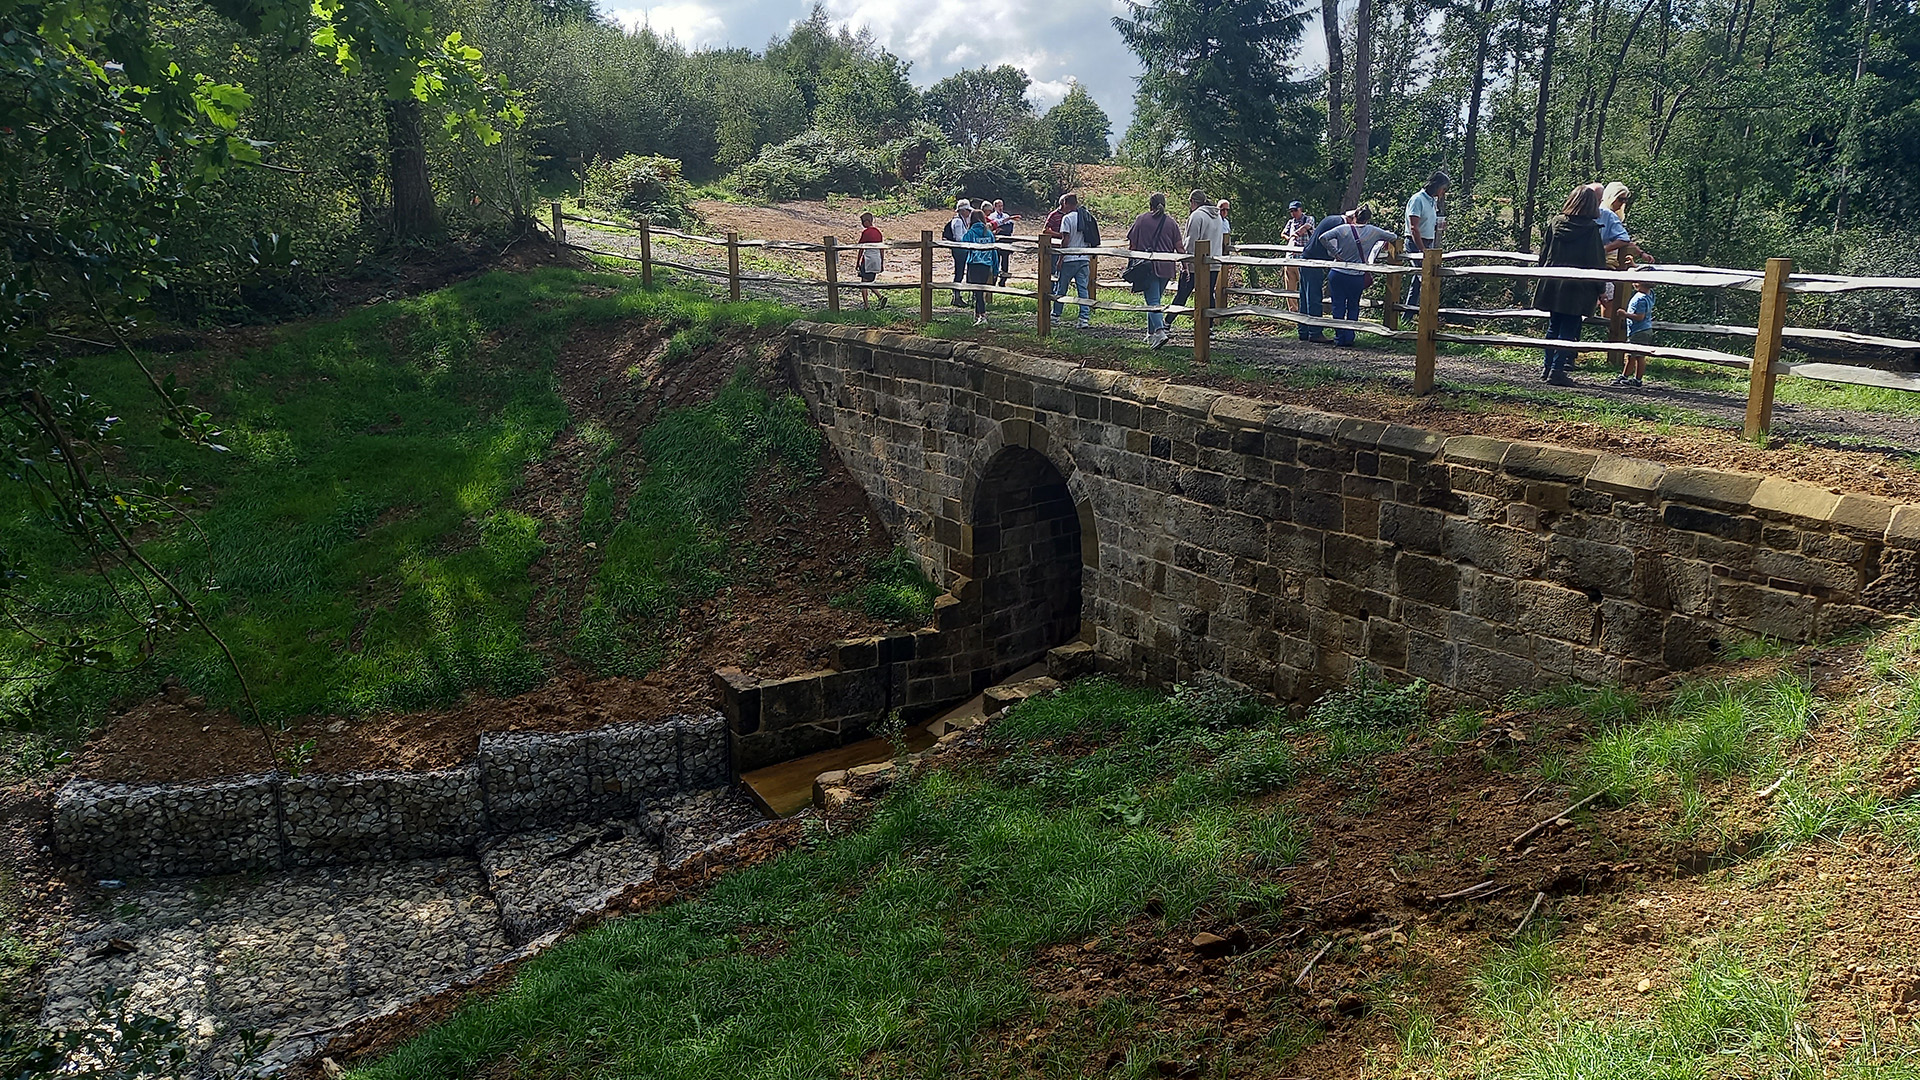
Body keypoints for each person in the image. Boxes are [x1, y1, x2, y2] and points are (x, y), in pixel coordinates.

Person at [1533, 184, 1608, 385]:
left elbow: (1543, 253)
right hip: (1578, 287)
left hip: (1553, 281)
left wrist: (1544, 274)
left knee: (1553, 326)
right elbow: (1596, 263)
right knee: (1568, 327)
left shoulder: (1555, 223)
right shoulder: (1591, 231)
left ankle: (1547, 368)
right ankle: (1557, 371)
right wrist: (1602, 289)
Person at [1319, 207, 1399, 347]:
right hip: (1356, 274)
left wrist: (1336, 253)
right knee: (1353, 306)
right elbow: (1393, 237)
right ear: (1368, 219)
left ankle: (1339, 336)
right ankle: (1350, 336)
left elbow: (1323, 237)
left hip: (1338, 271)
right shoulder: (1373, 231)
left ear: (1355, 216)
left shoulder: (1343, 229)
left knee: (1338, 305)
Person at [1127, 191, 1186, 348]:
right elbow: (1179, 246)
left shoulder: (1141, 220)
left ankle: (1159, 332)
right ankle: (1150, 334)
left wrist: (1132, 262)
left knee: (1152, 301)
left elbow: (1132, 245)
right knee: (1155, 300)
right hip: (1166, 267)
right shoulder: (1171, 222)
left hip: (1148, 267)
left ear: (1150, 205)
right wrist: (1185, 264)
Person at [1168, 189, 1225, 327]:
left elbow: (1191, 241)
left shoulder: (1197, 216)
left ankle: (1167, 322)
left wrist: (1185, 262)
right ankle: (1209, 326)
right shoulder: (1217, 217)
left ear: (1193, 202)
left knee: (1183, 293)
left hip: (1196, 264)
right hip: (1213, 262)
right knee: (1208, 293)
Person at [1297, 210, 1354, 341]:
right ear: (1351, 219)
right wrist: (1340, 257)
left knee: (1305, 297)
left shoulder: (1332, 219)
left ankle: (1303, 331)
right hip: (1314, 261)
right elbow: (1331, 249)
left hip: (1307, 257)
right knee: (1314, 297)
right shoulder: (1339, 225)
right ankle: (1315, 332)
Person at [1045, 192, 1094, 328]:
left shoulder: (1067, 218)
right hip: (1084, 257)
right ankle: (1084, 318)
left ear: (1066, 203)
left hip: (1069, 258)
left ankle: (1056, 315)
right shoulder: (1086, 217)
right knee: (1082, 289)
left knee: (1062, 288)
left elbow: (1065, 240)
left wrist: (1061, 258)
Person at [1404, 171, 1447, 309]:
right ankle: (1427, 311)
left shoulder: (1432, 201)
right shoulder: (1417, 199)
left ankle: (1408, 316)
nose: (1443, 193)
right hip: (1415, 241)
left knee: (1418, 280)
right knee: (1424, 277)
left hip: (1428, 241)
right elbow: (1414, 227)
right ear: (1436, 186)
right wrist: (1422, 249)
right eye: (1443, 189)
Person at [1613, 279, 1656, 388]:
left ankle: (1637, 380)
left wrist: (1625, 314)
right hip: (1641, 330)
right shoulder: (1649, 294)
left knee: (1639, 356)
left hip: (1639, 331)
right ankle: (1625, 376)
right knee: (1631, 355)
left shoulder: (1640, 299)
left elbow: (1640, 317)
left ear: (1639, 283)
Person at [961, 208, 998, 325]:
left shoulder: (970, 233)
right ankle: (977, 315)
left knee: (977, 292)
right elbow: (994, 252)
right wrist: (995, 268)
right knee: (980, 290)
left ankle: (982, 315)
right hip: (986, 265)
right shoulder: (989, 234)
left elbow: (963, 245)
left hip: (974, 264)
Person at [1282, 201, 1312, 312]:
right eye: (1291, 211)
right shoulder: (1290, 222)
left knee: (1304, 285)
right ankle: (1293, 310)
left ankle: (1306, 310)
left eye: (1295, 210)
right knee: (1290, 285)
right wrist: (1289, 237)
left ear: (1301, 209)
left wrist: (1296, 234)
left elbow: (1307, 227)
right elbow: (1283, 233)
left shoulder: (1308, 219)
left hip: (1303, 257)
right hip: (1290, 257)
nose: (1293, 213)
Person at [854, 212, 886, 309]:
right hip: (877, 259)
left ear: (867, 221)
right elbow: (882, 248)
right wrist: (882, 262)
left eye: (863, 222)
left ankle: (867, 305)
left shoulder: (866, 233)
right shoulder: (878, 232)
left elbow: (861, 248)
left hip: (868, 259)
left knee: (863, 284)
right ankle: (879, 297)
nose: (862, 224)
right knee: (868, 281)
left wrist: (857, 261)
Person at [944, 199, 972, 306]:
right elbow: (959, 238)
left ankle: (957, 296)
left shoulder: (960, 220)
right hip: (959, 249)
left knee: (960, 272)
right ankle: (956, 296)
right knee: (959, 272)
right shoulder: (958, 221)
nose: (968, 213)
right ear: (962, 210)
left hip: (961, 249)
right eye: (967, 210)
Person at [989, 199, 1020, 286]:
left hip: (1006, 242)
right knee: (996, 261)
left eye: (1002, 206)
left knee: (1005, 262)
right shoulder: (992, 217)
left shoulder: (1006, 215)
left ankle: (1003, 281)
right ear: (995, 207)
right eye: (999, 206)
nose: (1001, 208)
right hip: (997, 242)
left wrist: (1002, 228)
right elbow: (993, 227)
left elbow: (1009, 227)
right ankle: (993, 280)